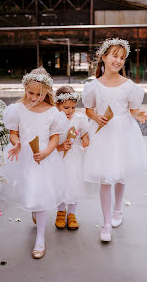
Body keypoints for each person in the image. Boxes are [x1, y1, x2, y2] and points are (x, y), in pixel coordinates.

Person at [82, 38, 147, 242]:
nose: (118, 60)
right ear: (103, 57)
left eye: (122, 57)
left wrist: (139, 115)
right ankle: (105, 223)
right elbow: (88, 108)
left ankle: (118, 210)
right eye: (114, 55)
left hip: (123, 133)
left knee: (120, 175)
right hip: (103, 134)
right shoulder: (93, 86)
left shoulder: (129, 86)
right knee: (106, 178)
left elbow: (133, 109)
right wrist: (94, 117)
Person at [1, 67, 67, 259]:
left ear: (47, 92)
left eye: (39, 94)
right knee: (30, 190)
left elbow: (55, 138)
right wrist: (17, 143)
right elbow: (14, 133)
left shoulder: (53, 112)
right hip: (24, 157)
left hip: (43, 158)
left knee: (40, 195)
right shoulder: (17, 110)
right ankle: (36, 213)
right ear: (25, 90)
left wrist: (46, 152)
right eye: (31, 93)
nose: (34, 98)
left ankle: (40, 238)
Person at [55, 86, 89, 231]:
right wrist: (59, 146)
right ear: (57, 105)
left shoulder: (79, 118)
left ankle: (72, 214)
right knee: (60, 183)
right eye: (66, 107)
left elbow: (84, 132)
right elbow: (49, 139)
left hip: (74, 156)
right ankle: (61, 212)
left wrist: (85, 137)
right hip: (59, 156)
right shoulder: (54, 118)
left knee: (74, 183)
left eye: (73, 107)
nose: (70, 111)